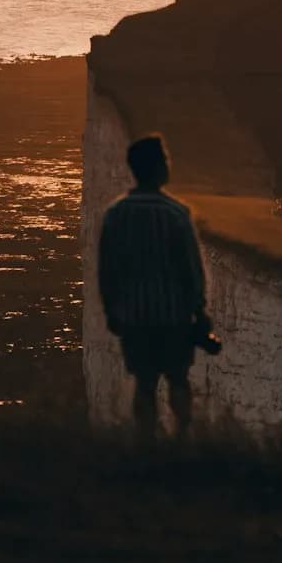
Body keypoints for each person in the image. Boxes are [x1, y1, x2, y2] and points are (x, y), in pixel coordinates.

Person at [98, 133, 209, 438]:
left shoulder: (116, 215)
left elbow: (108, 270)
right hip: (173, 315)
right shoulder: (175, 214)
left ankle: (146, 442)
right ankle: (182, 438)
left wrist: (112, 310)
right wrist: (199, 309)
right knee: (178, 379)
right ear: (159, 168)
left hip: (134, 315)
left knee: (144, 383)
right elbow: (190, 269)